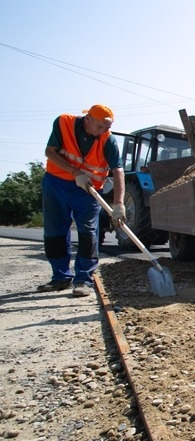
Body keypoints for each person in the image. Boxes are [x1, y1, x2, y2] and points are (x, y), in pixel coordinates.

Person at [37, 105, 127, 297]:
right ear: (88, 119)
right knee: (55, 232)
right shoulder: (64, 123)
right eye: (100, 126)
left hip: (88, 191)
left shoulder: (107, 140)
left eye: (107, 127)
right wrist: (75, 173)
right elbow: (50, 152)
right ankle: (60, 277)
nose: (104, 131)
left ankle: (83, 280)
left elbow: (118, 171)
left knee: (88, 233)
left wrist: (119, 204)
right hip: (56, 184)